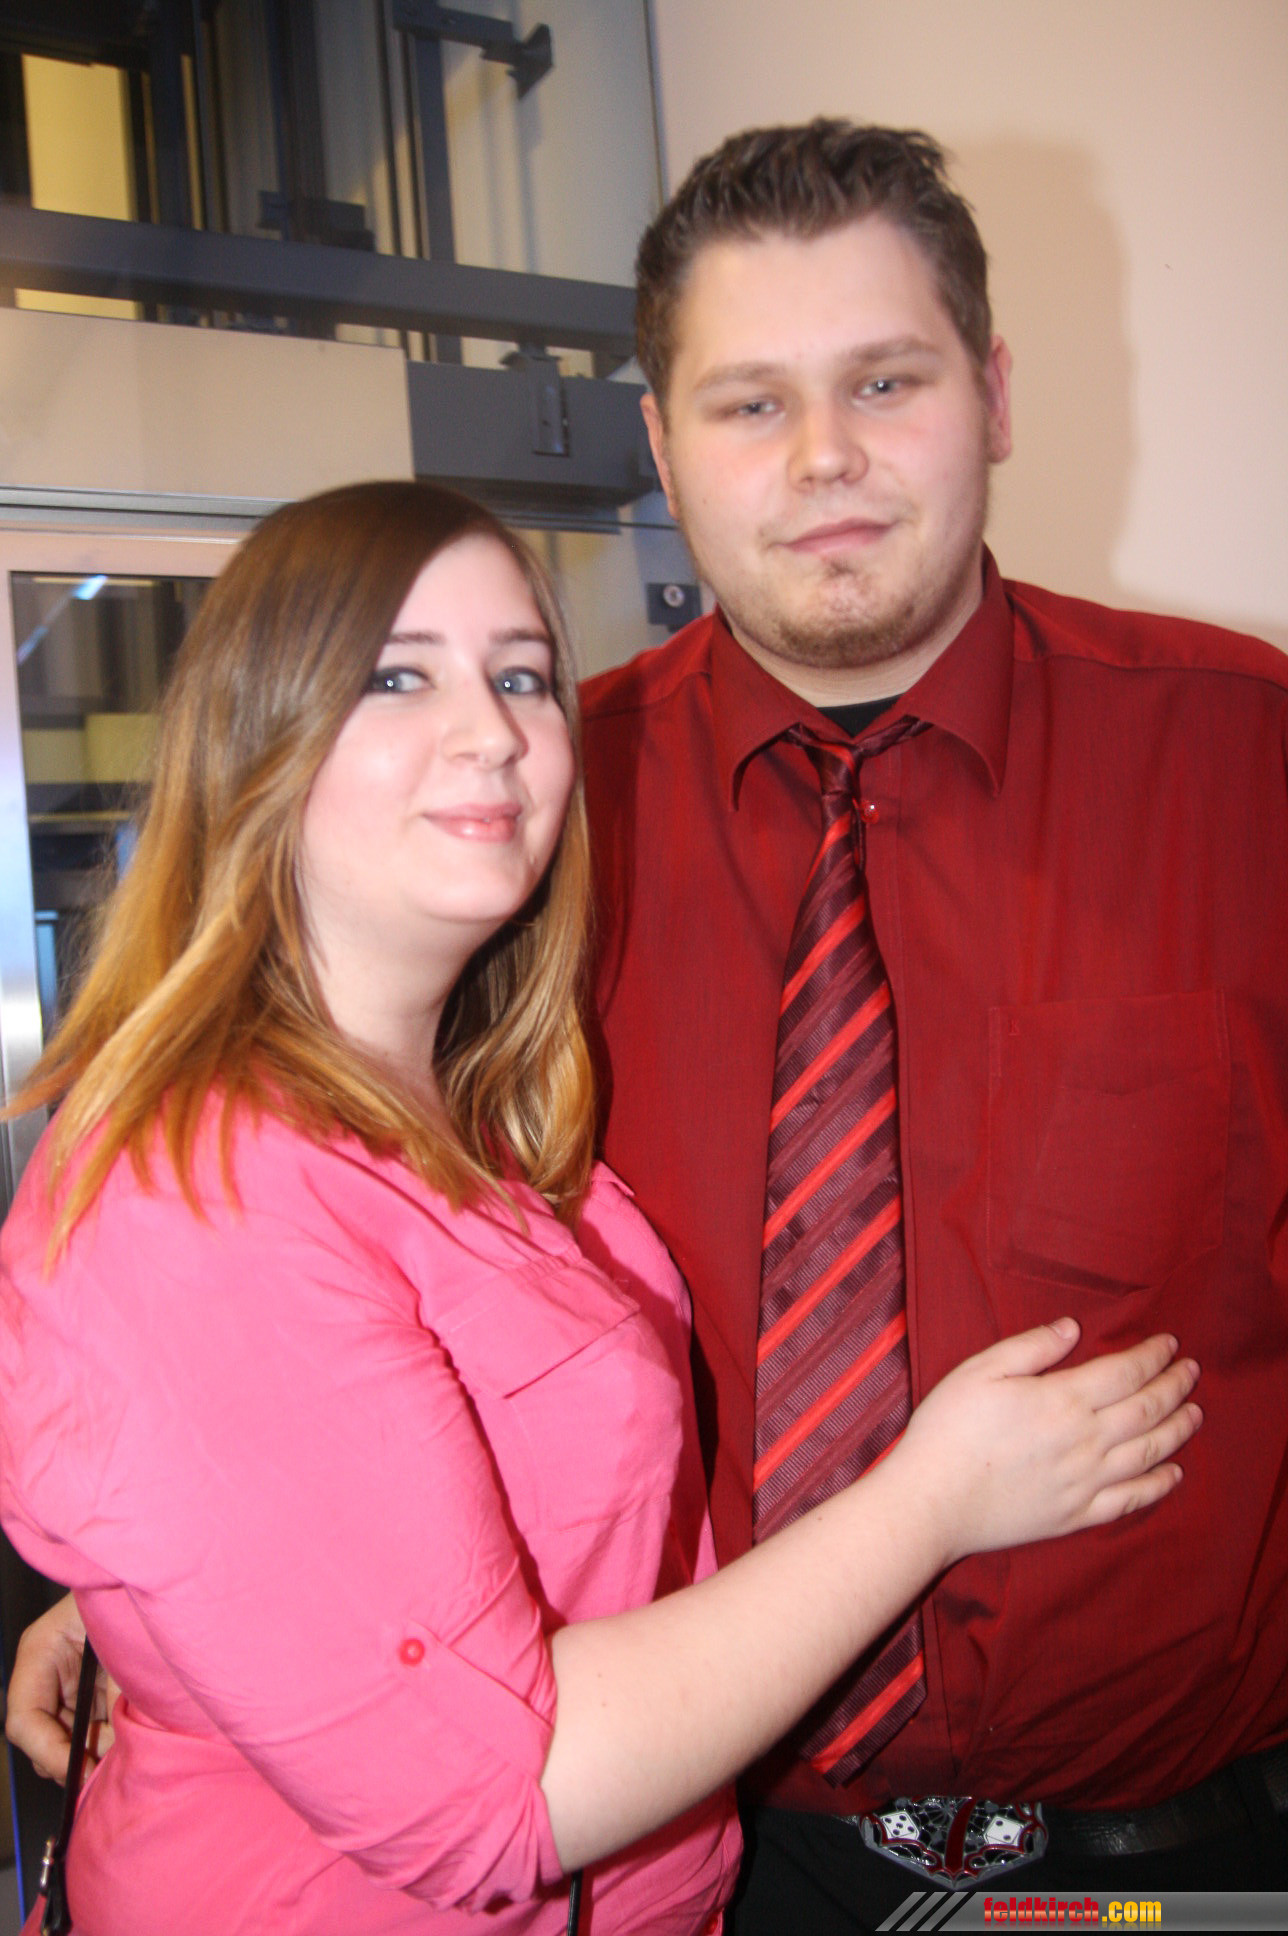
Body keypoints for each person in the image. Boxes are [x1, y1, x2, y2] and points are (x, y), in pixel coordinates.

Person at [0, 479, 1199, 1935]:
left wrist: (194, 1591)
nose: (493, 731)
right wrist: (937, 1498)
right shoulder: (199, 1192)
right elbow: (498, 1795)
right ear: (255, 742)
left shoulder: (479, 1109)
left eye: (520, 677)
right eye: (398, 676)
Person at [575, 122, 1288, 1924]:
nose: (824, 457)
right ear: (661, 449)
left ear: (995, 395)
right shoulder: (531, 814)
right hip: (713, 1868)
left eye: (885, 381)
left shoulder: (1251, 760)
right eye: (749, 404)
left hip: (1188, 1862)